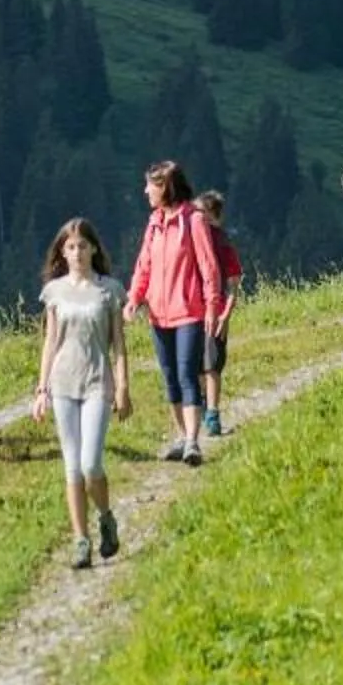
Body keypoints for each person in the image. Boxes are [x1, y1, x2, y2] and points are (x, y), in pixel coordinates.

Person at [35, 217, 132, 569]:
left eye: (82, 246)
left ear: (94, 249)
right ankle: (81, 540)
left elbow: (119, 344)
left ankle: (105, 515)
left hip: (97, 382)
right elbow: (50, 341)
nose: (77, 252)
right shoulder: (55, 292)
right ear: (63, 251)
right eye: (71, 246)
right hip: (62, 383)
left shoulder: (109, 290)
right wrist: (41, 388)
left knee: (91, 462)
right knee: (71, 467)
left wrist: (122, 387)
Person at [124, 159, 225, 465]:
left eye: (149, 185)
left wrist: (212, 306)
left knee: (186, 374)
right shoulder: (154, 222)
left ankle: (193, 442)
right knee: (170, 378)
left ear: (164, 186)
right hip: (159, 314)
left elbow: (209, 266)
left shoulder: (193, 220)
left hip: (189, 312)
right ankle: (182, 436)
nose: (145, 191)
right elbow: (144, 265)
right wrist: (133, 299)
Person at [193, 190, 242, 439]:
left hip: (214, 312)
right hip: (194, 312)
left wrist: (224, 315)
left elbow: (233, 284)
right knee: (200, 367)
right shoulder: (193, 243)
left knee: (211, 366)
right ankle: (205, 405)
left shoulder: (223, 246)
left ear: (212, 216)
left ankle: (211, 412)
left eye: (199, 213)